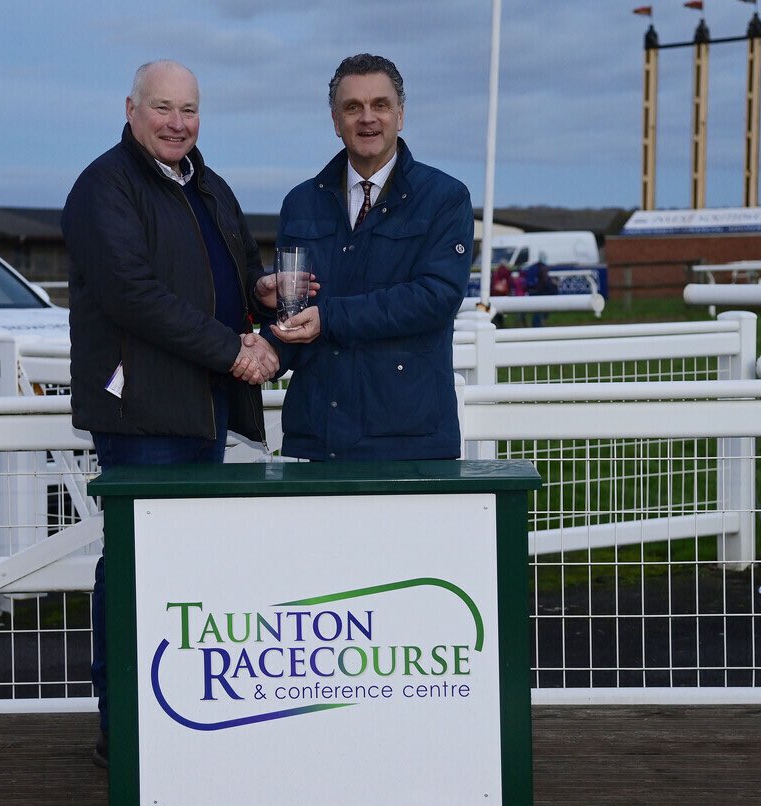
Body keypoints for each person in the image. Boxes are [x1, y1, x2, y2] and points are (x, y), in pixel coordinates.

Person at [61, 59, 280, 766]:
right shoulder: (104, 187)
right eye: (163, 108)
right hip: (143, 411)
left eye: (188, 110)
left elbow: (240, 267)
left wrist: (268, 288)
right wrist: (232, 350)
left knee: (187, 569)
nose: (177, 122)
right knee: (133, 567)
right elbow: (133, 296)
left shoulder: (206, 183)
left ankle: (177, 714)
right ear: (130, 109)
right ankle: (122, 730)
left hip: (202, 405)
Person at [263, 53, 474, 461]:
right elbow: (293, 307)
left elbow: (436, 297)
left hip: (409, 439)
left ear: (401, 114)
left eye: (380, 105)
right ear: (335, 120)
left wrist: (329, 318)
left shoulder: (445, 199)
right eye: (352, 107)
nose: (367, 118)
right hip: (317, 437)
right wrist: (267, 346)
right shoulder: (301, 202)